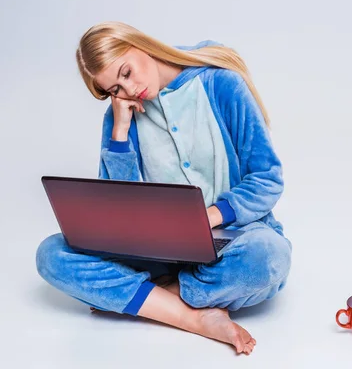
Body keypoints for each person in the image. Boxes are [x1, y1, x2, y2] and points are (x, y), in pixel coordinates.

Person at [35, 21, 292, 355]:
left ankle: (157, 296)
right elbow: (115, 214)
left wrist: (206, 219)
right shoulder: (120, 116)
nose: (127, 91)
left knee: (269, 257)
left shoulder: (219, 83)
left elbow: (267, 178)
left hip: (231, 242)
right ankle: (195, 318)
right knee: (51, 254)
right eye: (114, 89)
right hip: (156, 250)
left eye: (126, 73)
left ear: (139, 44)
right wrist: (120, 133)